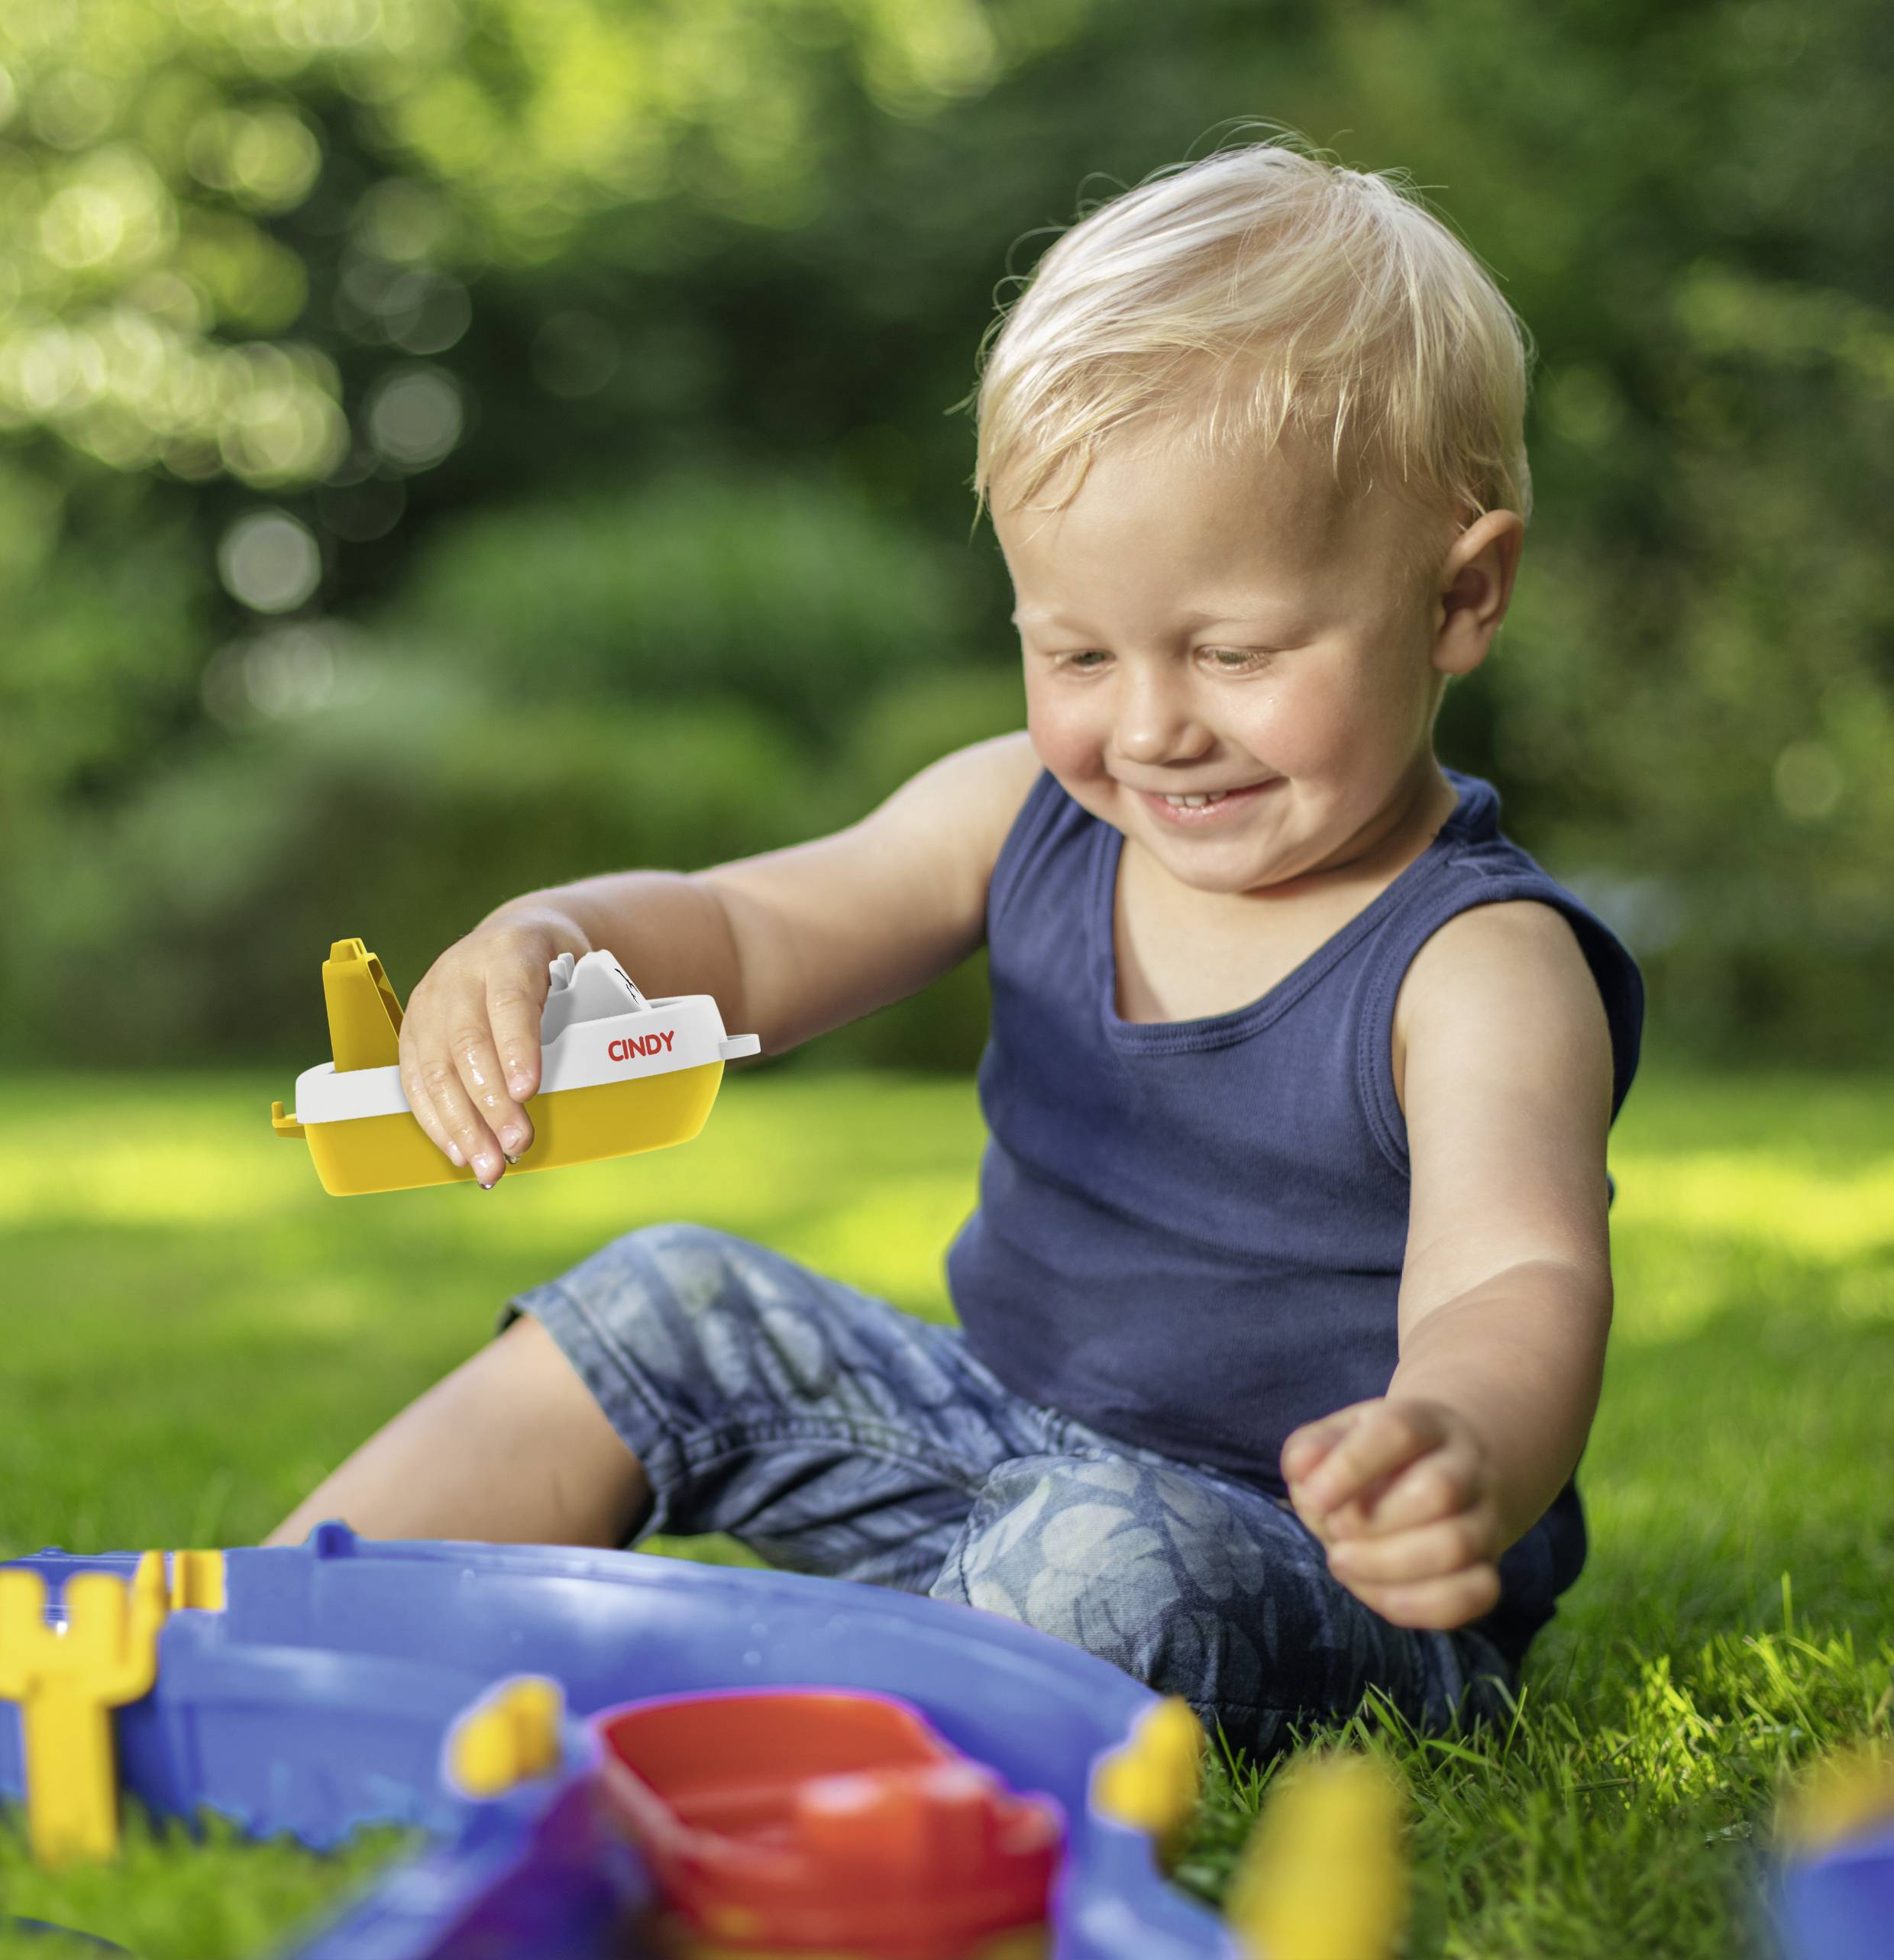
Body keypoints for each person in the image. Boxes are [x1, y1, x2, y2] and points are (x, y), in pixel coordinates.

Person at [270, 134, 1642, 1759]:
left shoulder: (1472, 964)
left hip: (1299, 1568)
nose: (1151, 726)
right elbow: (750, 930)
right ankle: (265, 1639)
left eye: (1233, 650)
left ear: (1457, 600)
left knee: (1109, 1556)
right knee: (663, 1298)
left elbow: (1517, 1277)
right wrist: (548, 936)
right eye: (1074, 648)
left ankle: (794, 1786)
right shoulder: (1026, 815)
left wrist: (1455, 1444)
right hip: (991, 1457)